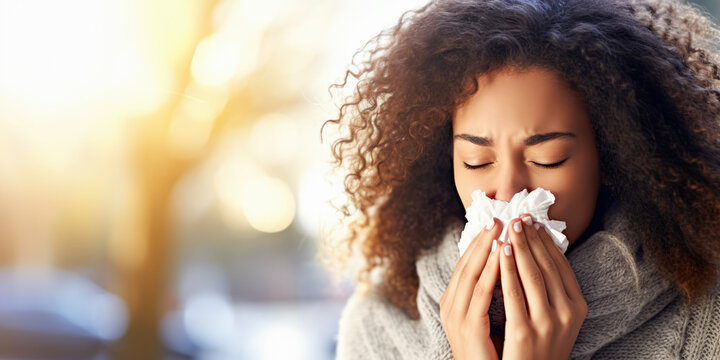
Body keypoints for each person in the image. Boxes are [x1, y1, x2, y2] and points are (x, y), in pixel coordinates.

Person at [320, 0, 720, 358]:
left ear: (613, 158)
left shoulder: (707, 320)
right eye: (476, 161)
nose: (509, 192)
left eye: (549, 159)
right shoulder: (379, 327)